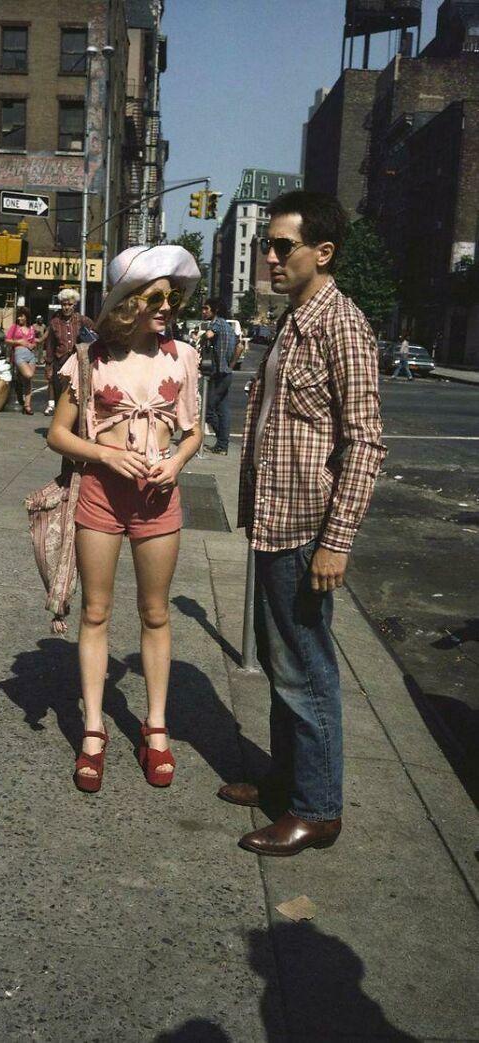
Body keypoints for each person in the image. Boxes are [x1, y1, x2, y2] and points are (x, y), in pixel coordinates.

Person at [219, 191, 386, 855]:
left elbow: (367, 440)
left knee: (305, 670)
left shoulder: (340, 323)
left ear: (323, 252)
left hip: (306, 531)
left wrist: (336, 541)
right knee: (280, 657)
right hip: (274, 523)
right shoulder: (294, 319)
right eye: (268, 245)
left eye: (283, 246)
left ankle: (317, 809)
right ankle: (285, 780)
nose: (271, 256)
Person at [47, 245, 202, 793]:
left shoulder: (181, 356)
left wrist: (177, 461)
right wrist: (106, 455)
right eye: (157, 297)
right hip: (100, 496)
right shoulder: (91, 360)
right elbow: (58, 434)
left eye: (172, 297)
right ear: (128, 303)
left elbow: (193, 431)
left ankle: (155, 730)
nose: (168, 306)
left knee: (156, 614)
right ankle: (94, 731)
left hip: (159, 499)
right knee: (95, 611)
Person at [44, 288, 94, 416]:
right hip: (60, 363)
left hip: (78, 364)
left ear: (74, 305)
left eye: (69, 304)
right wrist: (48, 366)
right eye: (64, 304)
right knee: (60, 394)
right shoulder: (54, 322)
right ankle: (60, 425)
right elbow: (50, 345)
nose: (66, 307)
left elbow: (95, 334)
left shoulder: (82, 320)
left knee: (77, 395)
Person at [201, 299, 242, 455]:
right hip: (226, 373)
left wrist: (202, 339)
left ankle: (222, 442)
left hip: (219, 374)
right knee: (223, 410)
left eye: (206, 308)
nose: (204, 311)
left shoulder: (216, 323)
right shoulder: (229, 327)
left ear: (215, 310)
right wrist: (231, 365)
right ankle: (222, 447)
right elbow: (240, 346)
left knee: (208, 410)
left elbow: (208, 335)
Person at [6, 306, 37, 414]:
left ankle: (27, 406)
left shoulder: (32, 328)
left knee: (28, 380)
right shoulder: (14, 327)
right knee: (28, 375)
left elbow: (33, 341)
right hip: (19, 354)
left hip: (31, 355)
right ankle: (19, 379)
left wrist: (33, 345)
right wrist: (19, 342)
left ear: (26, 317)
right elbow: (7, 340)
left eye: (22, 316)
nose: (20, 318)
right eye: (18, 316)